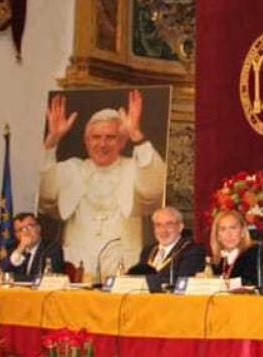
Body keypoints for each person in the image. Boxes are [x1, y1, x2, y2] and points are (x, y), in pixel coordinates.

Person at [38, 90, 167, 276]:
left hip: (123, 259)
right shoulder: (72, 169)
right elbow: (44, 193)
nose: (102, 144)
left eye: (111, 137)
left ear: (123, 141)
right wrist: (51, 142)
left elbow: (153, 189)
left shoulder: (134, 167)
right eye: (96, 137)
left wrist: (137, 135)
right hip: (77, 260)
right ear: (86, 141)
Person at [128, 206, 205, 288]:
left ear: (180, 227)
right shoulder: (148, 251)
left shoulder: (192, 251)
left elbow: (180, 281)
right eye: (158, 225)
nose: (163, 230)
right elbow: (137, 275)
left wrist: (145, 282)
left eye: (169, 224)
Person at [0, 213, 64, 282]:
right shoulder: (14, 249)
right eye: (21, 230)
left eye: (30, 226)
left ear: (38, 228)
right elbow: (3, 273)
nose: (26, 233)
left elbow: (46, 279)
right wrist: (20, 249)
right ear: (16, 235)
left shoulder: (52, 248)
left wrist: (15, 278)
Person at [209, 209, 263, 287]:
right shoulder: (217, 262)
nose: (229, 234)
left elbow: (252, 283)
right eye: (223, 229)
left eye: (233, 228)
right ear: (218, 236)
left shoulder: (253, 253)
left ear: (242, 232)